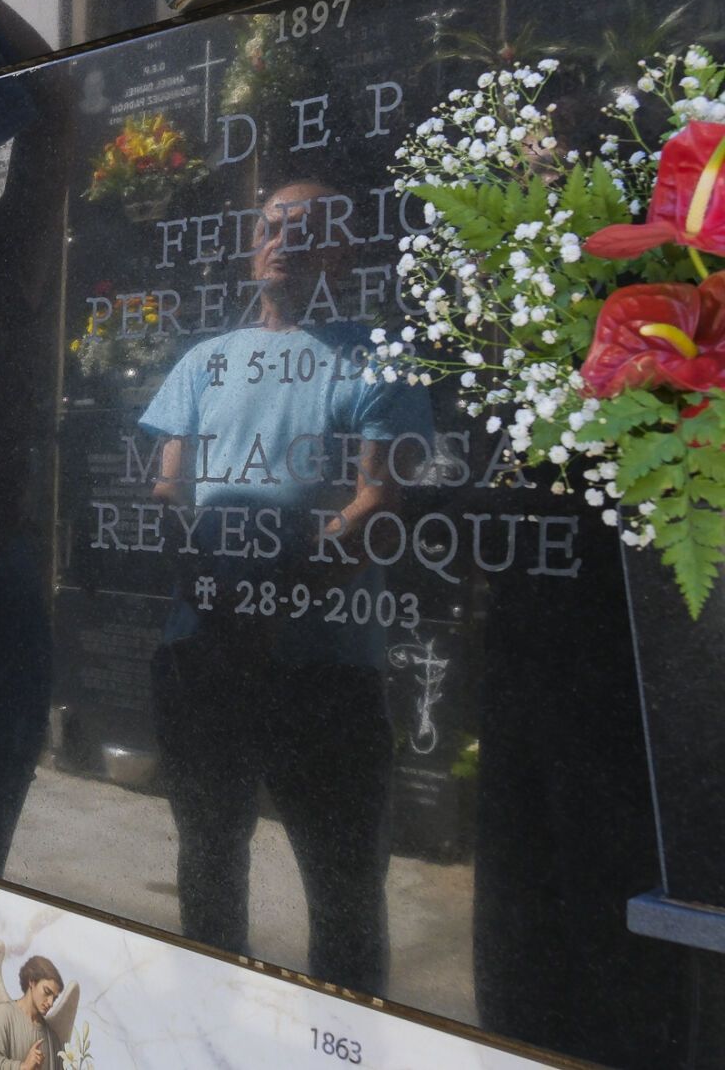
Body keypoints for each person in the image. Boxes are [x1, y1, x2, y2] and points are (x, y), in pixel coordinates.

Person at [140, 182, 426, 994]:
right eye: (271, 227)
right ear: (250, 244)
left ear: (341, 252)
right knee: (209, 869)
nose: (285, 242)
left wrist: (272, 609)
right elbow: (169, 493)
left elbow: (378, 504)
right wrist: (218, 605)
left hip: (325, 673)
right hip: (202, 663)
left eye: (307, 231)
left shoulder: (378, 360)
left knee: (343, 899)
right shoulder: (204, 362)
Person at [0, 956, 64, 1070]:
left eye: (55, 998)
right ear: (32, 982)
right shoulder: (3, 1014)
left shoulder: (52, 1039)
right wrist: (23, 1067)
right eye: (47, 992)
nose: (50, 1002)